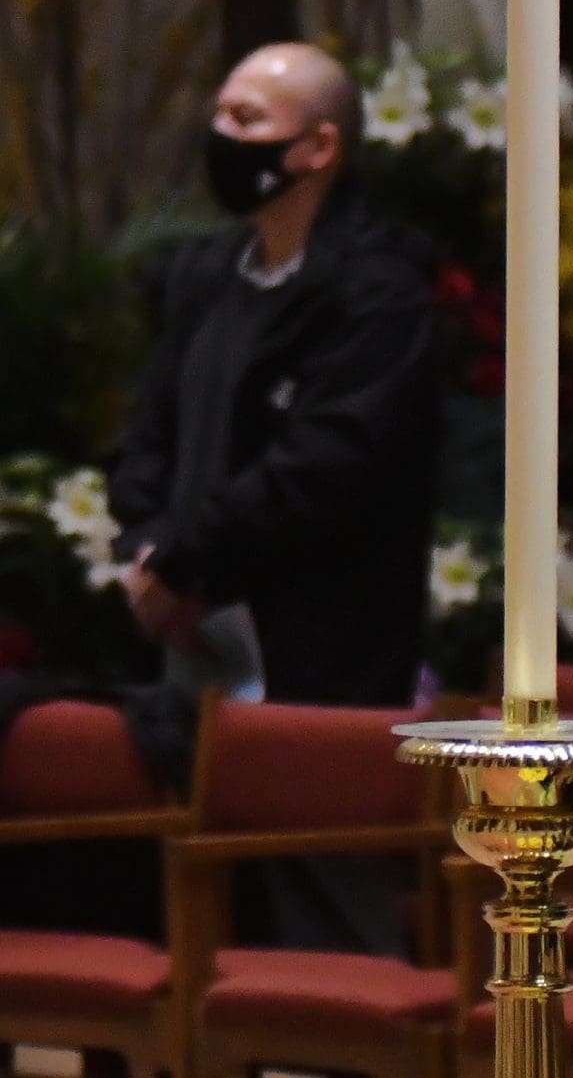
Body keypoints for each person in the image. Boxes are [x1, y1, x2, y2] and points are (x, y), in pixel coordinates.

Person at [108, 41, 438, 708]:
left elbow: (322, 465)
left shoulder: (379, 292)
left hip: (317, 653)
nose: (221, 135)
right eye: (219, 115)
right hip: (187, 635)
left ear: (318, 147)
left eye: (247, 118)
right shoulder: (205, 275)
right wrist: (151, 548)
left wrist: (186, 563)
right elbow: (151, 431)